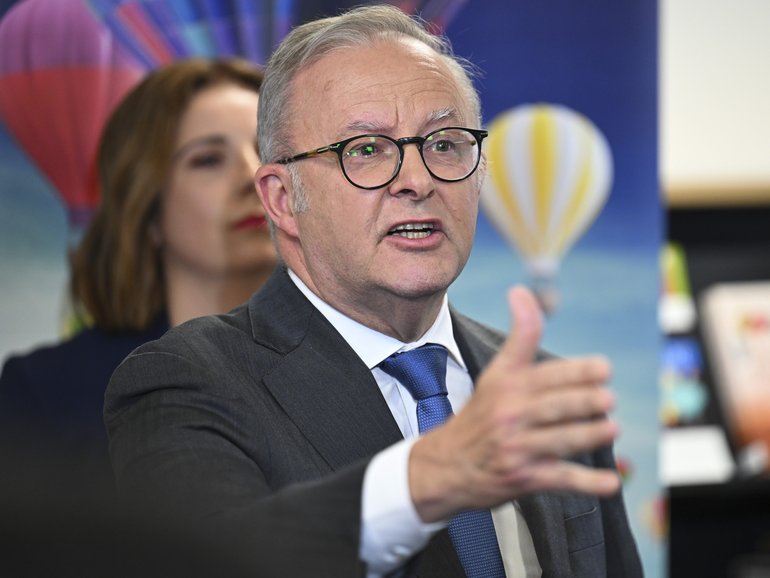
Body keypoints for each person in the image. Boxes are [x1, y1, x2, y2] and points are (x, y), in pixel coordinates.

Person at [105, 6, 643, 578]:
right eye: (366, 150)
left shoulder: (540, 392)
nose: (418, 180)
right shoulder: (185, 381)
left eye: (444, 143)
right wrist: (428, 478)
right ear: (283, 200)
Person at [0, 58, 276, 481]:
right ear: (146, 212)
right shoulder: (46, 392)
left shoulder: (371, 363)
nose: (252, 176)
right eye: (208, 160)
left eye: (270, 153)